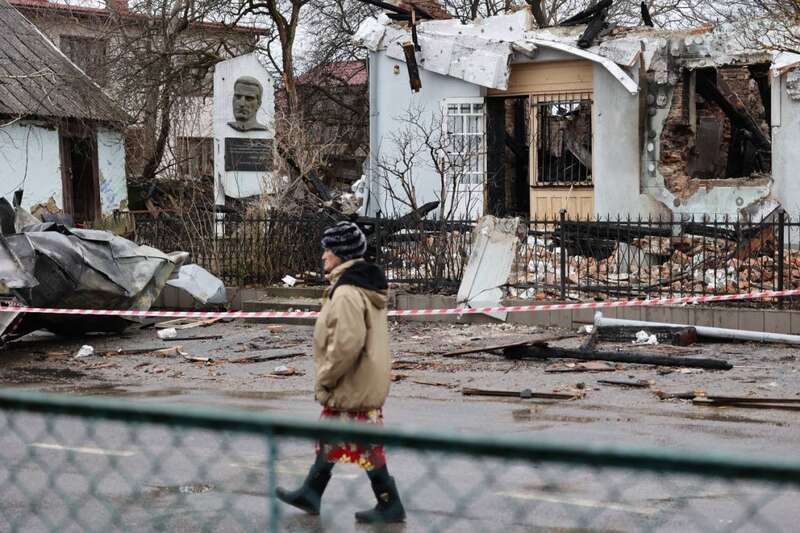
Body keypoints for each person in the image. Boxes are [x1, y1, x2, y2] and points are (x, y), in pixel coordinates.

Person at [276, 221, 405, 524]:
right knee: (333, 435)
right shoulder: (360, 284)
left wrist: (326, 377)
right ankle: (312, 491)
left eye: (329, 249)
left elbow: (347, 343)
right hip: (362, 378)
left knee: (365, 442)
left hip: (352, 379)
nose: (323, 255)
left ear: (342, 253)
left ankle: (389, 502)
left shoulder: (347, 291)